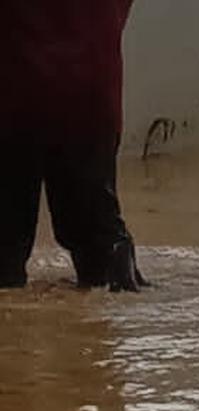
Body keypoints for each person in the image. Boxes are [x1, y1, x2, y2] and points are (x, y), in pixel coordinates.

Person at [0, 0, 146, 292]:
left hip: (13, 101)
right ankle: (116, 310)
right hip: (91, 96)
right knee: (100, 240)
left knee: (5, 248)